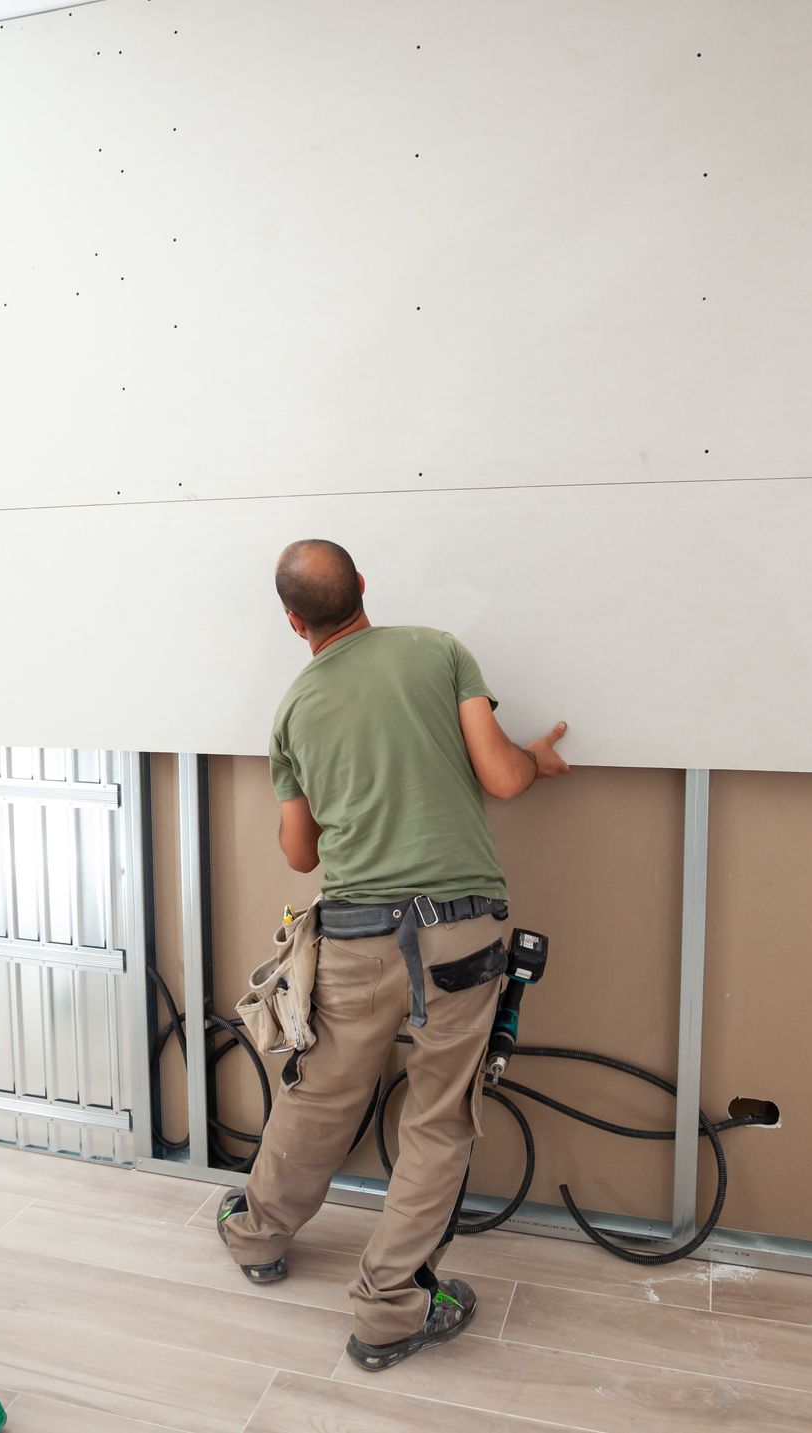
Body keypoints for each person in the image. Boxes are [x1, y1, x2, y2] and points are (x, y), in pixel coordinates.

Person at [215, 538, 569, 1371]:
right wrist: (539, 761)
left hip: (355, 938)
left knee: (320, 1096)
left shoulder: (295, 708)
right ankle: (387, 1311)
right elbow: (504, 777)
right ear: (365, 587)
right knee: (438, 1121)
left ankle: (257, 1234)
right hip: (460, 936)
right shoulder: (438, 650)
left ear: (294, 620)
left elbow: (300, 853)